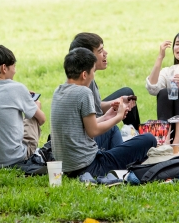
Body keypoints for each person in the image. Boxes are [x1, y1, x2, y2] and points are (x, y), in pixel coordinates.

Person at [50, 47, 157, 177]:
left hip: (66, 167)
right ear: (84, 74)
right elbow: (93, 131)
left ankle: (119, 159)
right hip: (90, 167)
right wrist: (118, 117)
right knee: (149, 139)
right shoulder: (84, 92)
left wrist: (107, 116)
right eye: (93, 71)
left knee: (112, 130)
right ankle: (121, 162)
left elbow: (83, 126)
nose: (93, 75)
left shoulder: (59, 91)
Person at [69, 33, 140, 151]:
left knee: (126, 93)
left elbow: (96, 106)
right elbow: (88, 126)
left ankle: (136, 134)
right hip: (90, 133)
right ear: (88, 57)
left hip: (93, 123)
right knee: (116, 130)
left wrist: (118, 102)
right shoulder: (83, 83)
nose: (106, 53)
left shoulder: (85, 78)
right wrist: (115, 117)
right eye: (100, 50)